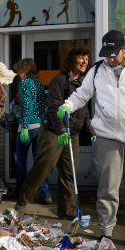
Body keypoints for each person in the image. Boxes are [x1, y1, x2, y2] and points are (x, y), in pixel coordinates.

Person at [57, 30, 125, 250]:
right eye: (106, 54)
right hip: (107, 139)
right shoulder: (97, 70)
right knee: (107, 188)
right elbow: (81, 95)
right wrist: (68, 105)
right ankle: (106, 233)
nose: (109, 59)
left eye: (113, 54)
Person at [15, 47, 95, 219]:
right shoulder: (59, 80)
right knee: (43, 168)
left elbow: (84, 111)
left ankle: (68, 212)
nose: (84, 62)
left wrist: (90, 131)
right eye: (81, 58)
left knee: (69, 173)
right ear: (72, 61)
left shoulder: (83, 83)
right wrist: (60, 131)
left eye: (87, 58)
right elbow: (53, 108)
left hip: (72, 133)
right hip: (53, 131)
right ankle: (20, 205)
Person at [12, 58, 51, 204]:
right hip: (40, 126)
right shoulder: (39, 84)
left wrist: (24, 126)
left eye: (20, 71)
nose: (18, 73)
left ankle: (20, 191)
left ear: (25, 70)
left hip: (27, 128)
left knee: (21, 161)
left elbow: (27, 106)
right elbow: (40, 106)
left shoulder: (25, 83)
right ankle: (45, 194)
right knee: (39, 162)